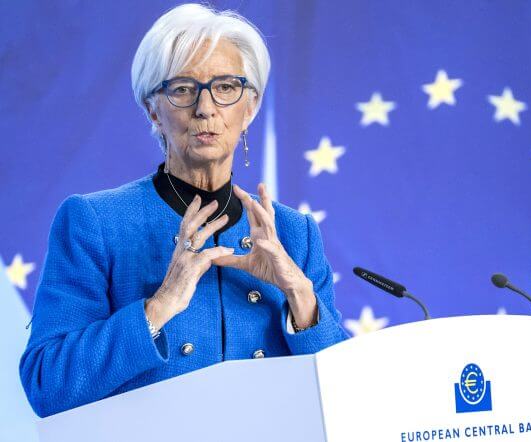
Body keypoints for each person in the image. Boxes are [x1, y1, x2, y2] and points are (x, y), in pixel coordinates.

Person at [19, 3, 349, 418]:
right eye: (182, 89)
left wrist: (300, 295)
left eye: (226, 87)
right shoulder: (95, 222)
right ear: (153, 109)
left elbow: (346, 398)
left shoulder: (295, 233)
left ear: (250, 108)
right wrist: (161, 304)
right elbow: (46, 385)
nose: (205, 107)